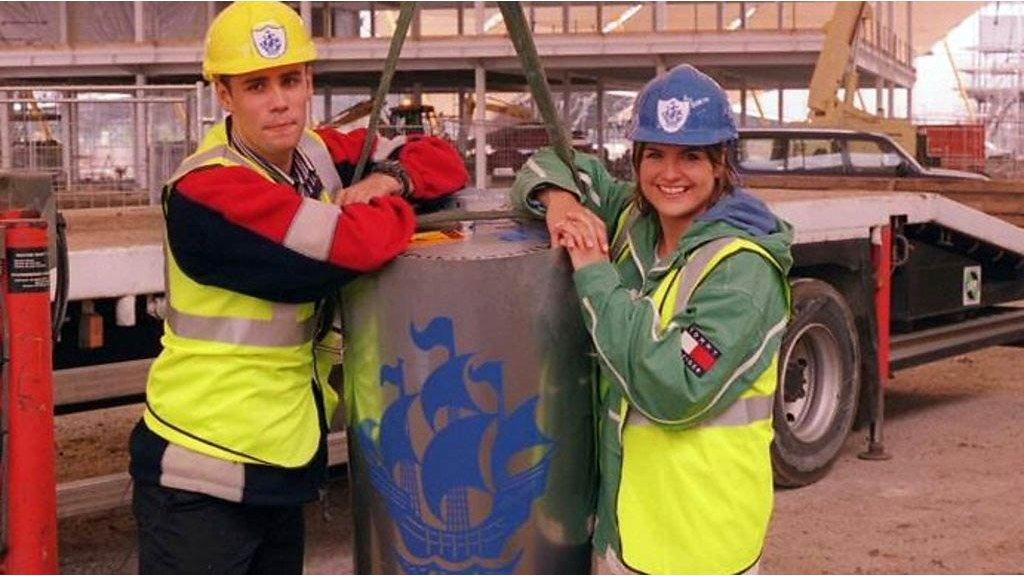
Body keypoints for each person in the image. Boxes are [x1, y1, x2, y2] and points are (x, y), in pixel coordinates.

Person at [128, 2, 468, 573]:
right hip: (201, 471)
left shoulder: (313, 152)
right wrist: (394, 203)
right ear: (224, 95)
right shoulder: (208, 192)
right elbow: (352, 244)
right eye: (257, 85)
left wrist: (390, 177)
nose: (280, 100)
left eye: (291, 79)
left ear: (310, 82)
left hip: (277, 459)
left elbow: (440, 157)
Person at [511, 64, 793, 575]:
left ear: (722, 163)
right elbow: (554, 161)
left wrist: (595, 275)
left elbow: (671, 385)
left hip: (697, 544)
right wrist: (561, 201)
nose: (669, 173)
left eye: (690, 156)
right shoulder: (634, 222)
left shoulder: (741, 272)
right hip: (624, 529)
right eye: (655, 155)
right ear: (636, 159)